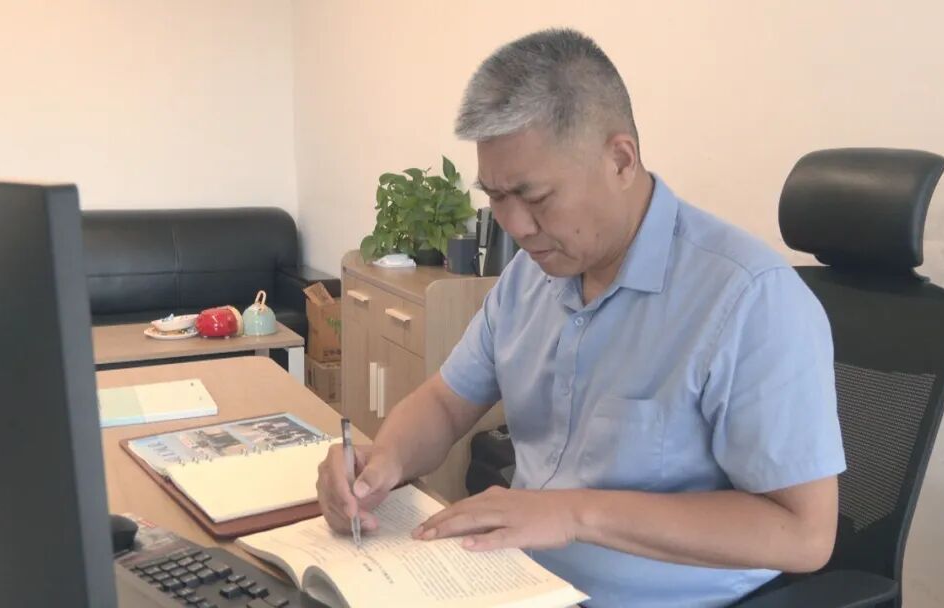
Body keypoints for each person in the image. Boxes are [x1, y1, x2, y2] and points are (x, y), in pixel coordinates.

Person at [316, 28, 846, 607]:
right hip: (515, 581)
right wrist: (382, 464)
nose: (517, 226)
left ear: (620, 160)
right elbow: (445, 403)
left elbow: (804, 535)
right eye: (496, 196)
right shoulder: (529, 277)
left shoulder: (749, 299)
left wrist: (572, 513)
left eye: (536, 198)